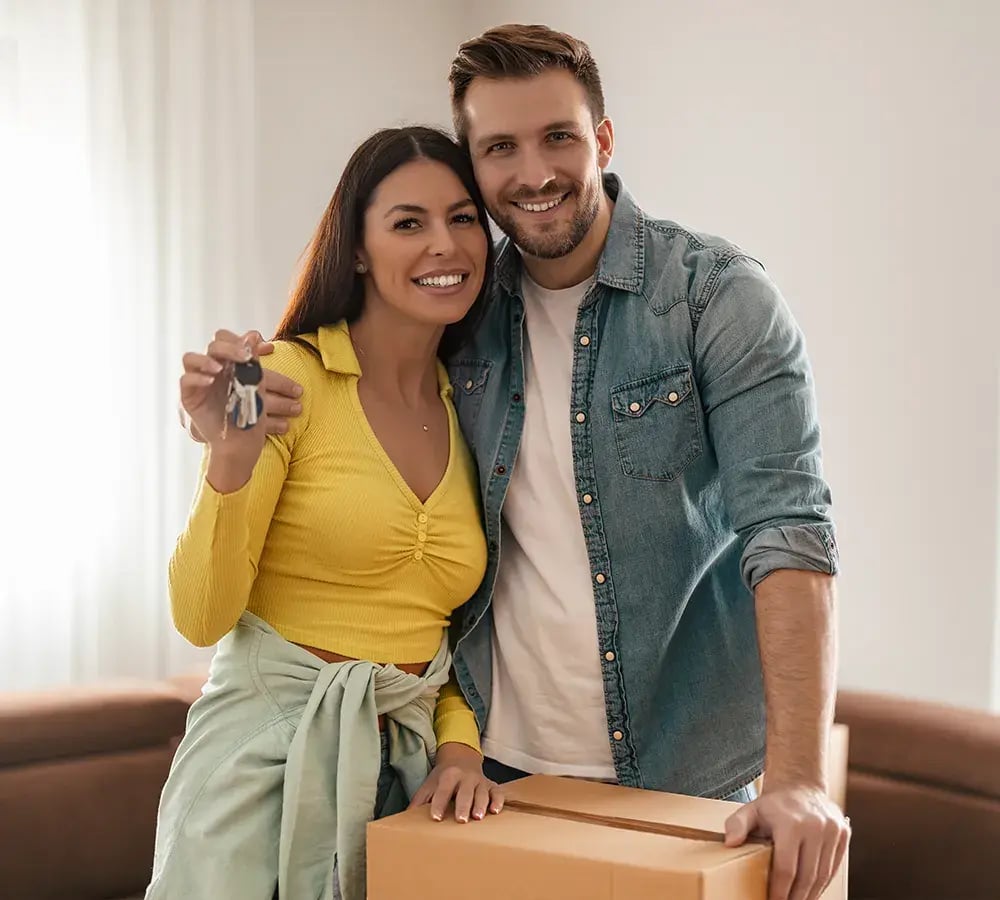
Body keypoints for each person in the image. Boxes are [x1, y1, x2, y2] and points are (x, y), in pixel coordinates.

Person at [199, 24, 850, 900]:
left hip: (686, 776)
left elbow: (790, 534)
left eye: (559, 137)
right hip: (492, 780)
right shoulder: (462, 316)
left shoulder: (715, 300)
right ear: (475, 163)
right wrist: (231, 422)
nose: (534, 173)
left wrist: (800, 777)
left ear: (604, 140)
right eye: (500, 147)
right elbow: (348, 394)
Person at [150, 126, 503, 900]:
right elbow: (201, 617)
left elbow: (443, 642)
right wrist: (229, 458)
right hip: (256, 773)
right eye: (408, 222)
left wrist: (459, 749)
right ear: (357, 249)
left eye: (463, 217)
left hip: (403, 791)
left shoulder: (472, 409)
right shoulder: (281, 378)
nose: (444, 244)